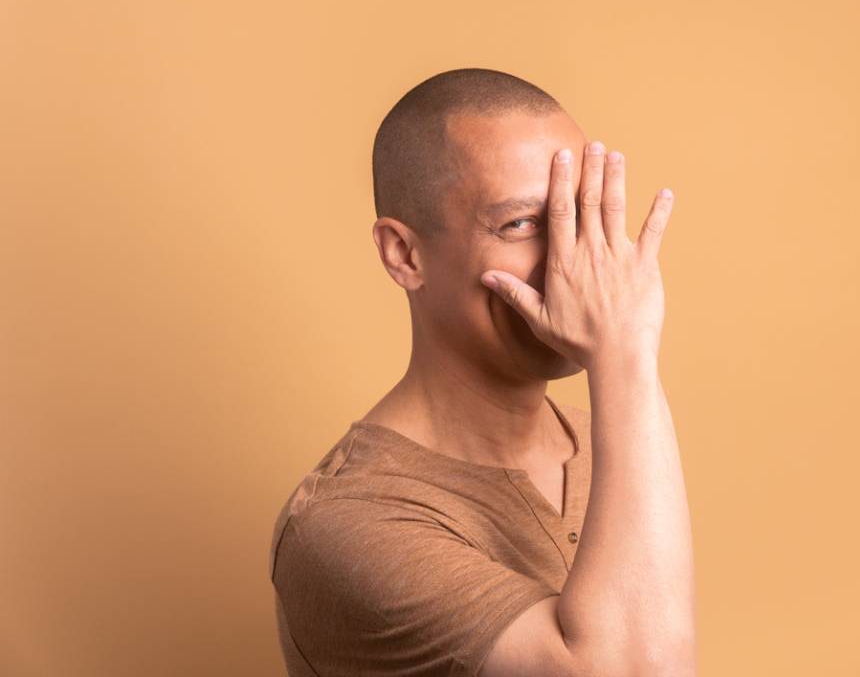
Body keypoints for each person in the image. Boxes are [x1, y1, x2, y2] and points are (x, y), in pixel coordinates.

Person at [268, 67, 696, 677]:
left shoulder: (612, 446)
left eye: (579, 215)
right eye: (521, 224)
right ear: (405, 255)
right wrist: (626, 351)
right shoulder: (346, 522)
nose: (575, 262)